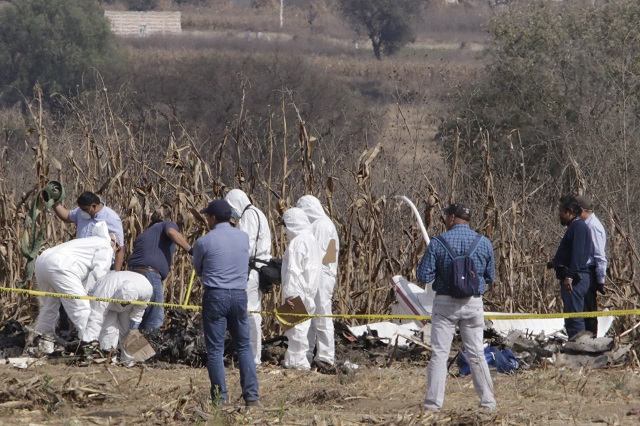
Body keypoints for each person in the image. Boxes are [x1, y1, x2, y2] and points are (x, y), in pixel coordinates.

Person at [417, 202, 496, 412]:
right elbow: (490, 277)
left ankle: (433, 405)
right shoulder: (484, 242)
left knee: (440, 354)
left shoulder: (438, 242)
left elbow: (423, 276)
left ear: (452, 217)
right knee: (477, 353)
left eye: (446, 216)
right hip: (473, 303)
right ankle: (488, 403)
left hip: (444, 303)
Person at [192, 199, 261, 408]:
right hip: (239, 295)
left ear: (213, 218)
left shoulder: (204, 241)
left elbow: (198, 269)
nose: (206, 220)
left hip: (215, 295)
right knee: (244, 347)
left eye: (207, 216)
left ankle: (220, 399)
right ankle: (252, 398)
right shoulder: (243, 238)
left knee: (215, 350)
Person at [33, 221, 116, 345]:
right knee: (81, 307)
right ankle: (90, 343)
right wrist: (91, 297)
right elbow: (99, 274)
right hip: (60, 265)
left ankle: (44, 342)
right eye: (118, 248)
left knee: (49, 306)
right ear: (113, 242)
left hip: (42, 262)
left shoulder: (90, 242)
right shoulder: (105, 245)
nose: (116, 250)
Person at [225, 189, 272, 366]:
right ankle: (250, 355)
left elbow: (245, 244)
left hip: (251, 270)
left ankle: (252, 358)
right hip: (256, 269)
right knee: (251, 312)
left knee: (250, 313)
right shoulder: (258, 214)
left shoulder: (249, 216)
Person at [127, 207, 193, 331]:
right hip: (149, 274)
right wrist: (190, 250)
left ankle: (132, 348)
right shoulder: (165, 225)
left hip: (132, 274)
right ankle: (151, 347)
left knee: (137, 315)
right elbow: (172, 232)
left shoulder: (142, 236)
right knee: (154, 318)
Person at [296, 195, 339, 373]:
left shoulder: (322, 224)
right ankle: (309, 355)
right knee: (313, 316)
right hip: (320, 274)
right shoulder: (321, 223)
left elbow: (318, 254)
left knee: (322, 316)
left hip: (321, 275)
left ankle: (325, 357)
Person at [280, 207, 322, 371]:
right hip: (308, 291)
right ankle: (293, 361)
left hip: (297, 291)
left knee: (296, 329)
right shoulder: (311, 239)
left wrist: (289, 294)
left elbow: (294, 270)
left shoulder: (298, 242)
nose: (284, 231)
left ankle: (299, 363)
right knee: (301, 328)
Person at [83, 271, 153, 357]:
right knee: (110, 330)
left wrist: (135, 322)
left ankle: (131, 359)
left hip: (128, 306)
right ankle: (108, 355)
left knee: (128, 332)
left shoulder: (146, 289)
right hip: (107, 302)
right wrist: (90, 340)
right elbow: (96, 316)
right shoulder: (105, 291)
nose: (123, 305)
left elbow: (140, 307)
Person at [53, 191, 125, 270]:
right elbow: (67, 216)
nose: (82, 211)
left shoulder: (112, 218)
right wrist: (53, 202)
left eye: (85, 209)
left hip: (101, 266)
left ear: (93, 207)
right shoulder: (80, 211)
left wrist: (116, 272)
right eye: (81, 209)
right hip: (79, 263)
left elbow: (120, 248)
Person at [551, 195, 591, 338]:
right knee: (570, 319)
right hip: (573, 277)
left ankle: (580, 349)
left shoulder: (578, 227)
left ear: (569, 211)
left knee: (575, 319)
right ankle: (574, 346)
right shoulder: (574, 226)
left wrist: (570, 276)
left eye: (561, 211)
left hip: (575, 280)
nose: (559, 215)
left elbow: (578, 254)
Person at [575, 195, 606, 336]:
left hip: (591, 271)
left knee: (589, 308)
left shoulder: (593, 227)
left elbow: (599, 256)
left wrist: (600, 280)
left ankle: (592, 338)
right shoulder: (586, 225)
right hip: (585, 271)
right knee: (583, 308)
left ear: (581, 210)